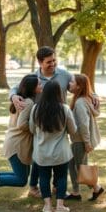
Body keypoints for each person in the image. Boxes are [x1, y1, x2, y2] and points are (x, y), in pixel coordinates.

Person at [9, 46, 73, 198]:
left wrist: (93, 95)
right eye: (48, 62)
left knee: (59, 155)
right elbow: (15, 88)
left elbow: (80, 84)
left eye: (54, 60)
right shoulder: (34, 78)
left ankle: (58, 187)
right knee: (39, 156)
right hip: (40, 123)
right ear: (40, 62)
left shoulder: (64, 75)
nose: (53, 64)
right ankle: (33, 187)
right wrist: (13, 96)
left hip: (59, 121)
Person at [0, 74, 42, 196]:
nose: (42, 86)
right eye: (39, 84)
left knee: (22, 175)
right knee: (21, 180)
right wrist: (35, 128)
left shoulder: (20, 99)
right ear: (32, 88)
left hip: (14, 141)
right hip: (17, 144)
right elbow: (21, 124)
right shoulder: (28, 102)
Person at [29, 80, 76, 212]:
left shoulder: (35, 109)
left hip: (42, 151)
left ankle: (48, 206)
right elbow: (73, 130)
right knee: (61, 177)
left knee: (43, 178)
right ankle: (60, 206)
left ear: (44, 92)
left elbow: (32, 129)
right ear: (58, 93)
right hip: (61, 152)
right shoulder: (65, 109)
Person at [66, 74, 104, 201]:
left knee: (81, 168)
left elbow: (83, 124)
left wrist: (87, 142)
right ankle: (76, 192)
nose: (69, 84)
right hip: (78, 140)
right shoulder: (83, 99)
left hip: (80, 140)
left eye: (72, 82)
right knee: (72, 166)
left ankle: (97, 188)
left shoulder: (80, 102)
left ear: (79, 86)